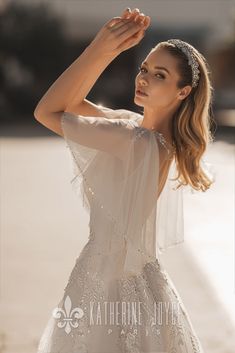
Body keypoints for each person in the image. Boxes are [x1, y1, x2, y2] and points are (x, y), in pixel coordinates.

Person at [34, 7, 215, 353]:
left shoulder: (132, 139)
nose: (143, 78)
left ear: (182, 91)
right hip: (141, 281)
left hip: (104, 282)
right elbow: (72, 104)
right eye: (144, 68)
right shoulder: (142, 134)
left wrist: (100, 49)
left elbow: (48, 110)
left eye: (159, 75)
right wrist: (109, 49)